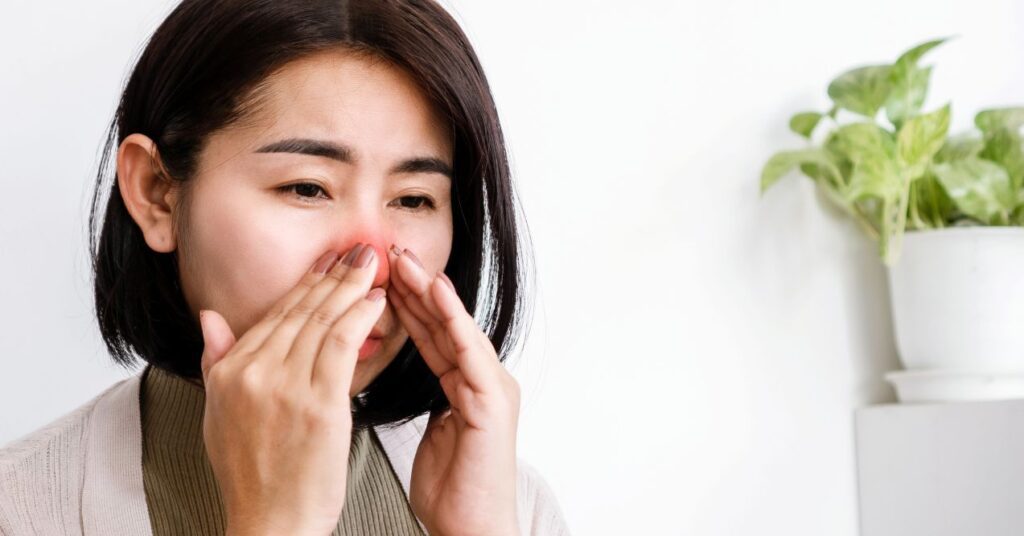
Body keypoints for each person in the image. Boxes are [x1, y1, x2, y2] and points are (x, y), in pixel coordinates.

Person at [0, 1, 570, 534]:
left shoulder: (514, 508)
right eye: (307, 188)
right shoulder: (20, 507)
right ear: (157, 193)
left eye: (413, 199)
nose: (370, 266)